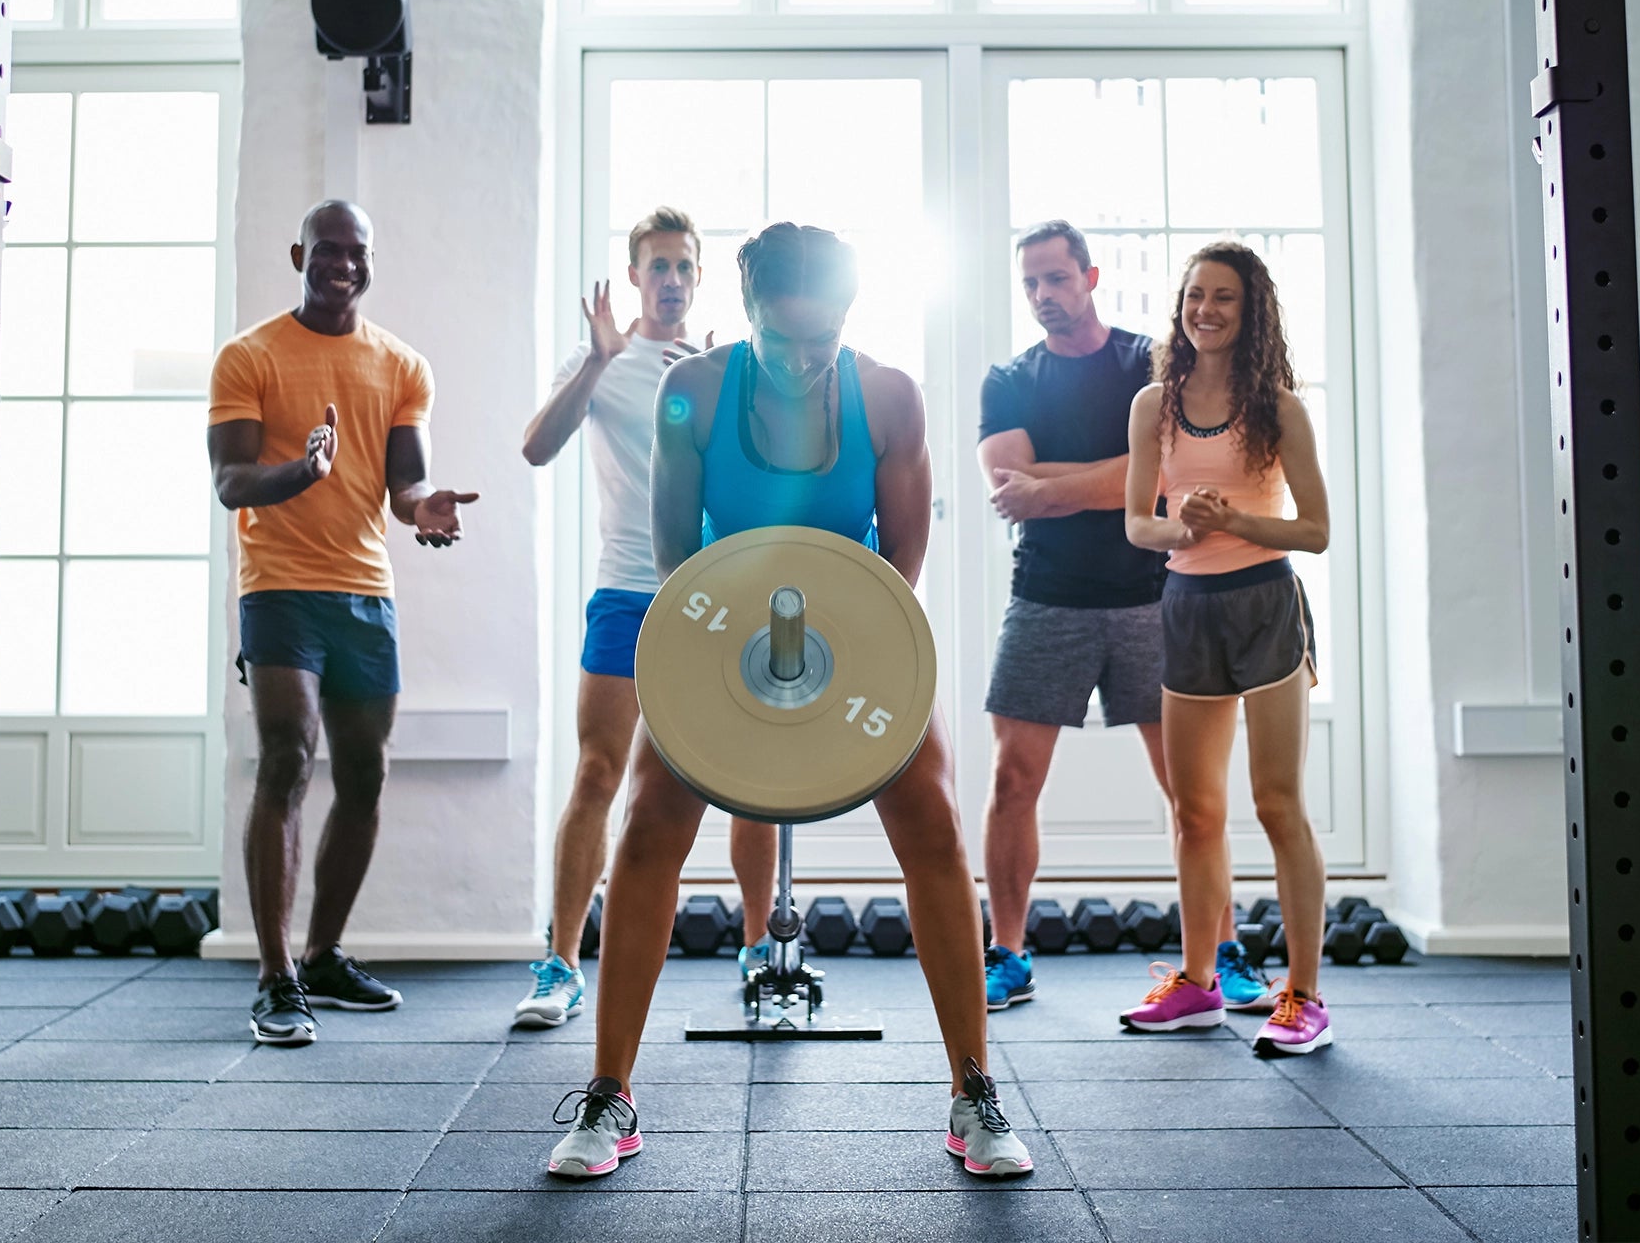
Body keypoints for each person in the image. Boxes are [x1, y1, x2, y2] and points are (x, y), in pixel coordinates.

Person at [545, 223, 1033, 1179]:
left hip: (856, 628)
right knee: (646, 825)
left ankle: (972, 1091)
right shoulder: (694, 392)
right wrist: (737, 671)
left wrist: (839, 671)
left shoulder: (888, 397)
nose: (807, 361)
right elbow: (675, 555)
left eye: (826, 339)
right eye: (784, 340)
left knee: (933, 823)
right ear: (749, 311)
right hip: (719, 621)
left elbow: (900, 564)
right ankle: (610, 1095)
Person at [208, 199, 477, 1047]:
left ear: (371, 261)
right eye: (328, 250)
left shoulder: (402, 366)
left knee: (365, 777)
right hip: (279, 586)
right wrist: (301, 471)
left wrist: (423, 505)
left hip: (365, 593)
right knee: (288, 758)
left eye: (356, 252)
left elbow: (404, 486)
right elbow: (231, 482)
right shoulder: (249, 356)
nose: (342, 265)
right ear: (300, 254)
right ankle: (276, 974)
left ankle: (323, 953)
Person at [514, 208, 775, 1029]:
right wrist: (595, 361)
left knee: (751, 782)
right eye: (657, 266)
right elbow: (535, 447)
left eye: (683, 268)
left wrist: (722, 389)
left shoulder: (726, 370)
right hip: (627, 590)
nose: (670, 280)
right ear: (634, 276)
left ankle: (761, 952)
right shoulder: (604, 363)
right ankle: (560, 962)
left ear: (700, 279)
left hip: (716, 593)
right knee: (599, 773)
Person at [1117, 239, 1333, 1055]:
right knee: (1196, 811)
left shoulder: (1279, 407)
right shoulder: (1152, 405)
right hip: (1188, 604)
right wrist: (1185, 526)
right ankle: (1200, 984)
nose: (1205, 310)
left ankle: (1305, 996)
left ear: (1251, 313)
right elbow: (1140, 522)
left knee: (1278, 804)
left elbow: (1314, 530)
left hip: (1265, 603)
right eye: (1195, 296)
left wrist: (1236, 520)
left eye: (1224, 299)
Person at [976, 221, 1173, 1013]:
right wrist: (1123, 476)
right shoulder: (1008, 379)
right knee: (1012, 780)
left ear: (1090, 276)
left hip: (1153, 598)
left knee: (1188, 790)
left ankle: (1220, 951)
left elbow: (1165, 479)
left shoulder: (1147, 364)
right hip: (1046, 596)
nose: (1043, 297)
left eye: (1056, 279)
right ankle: (1009, 953)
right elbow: (1004, 482)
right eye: (1030, 284)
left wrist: (1049, 487)